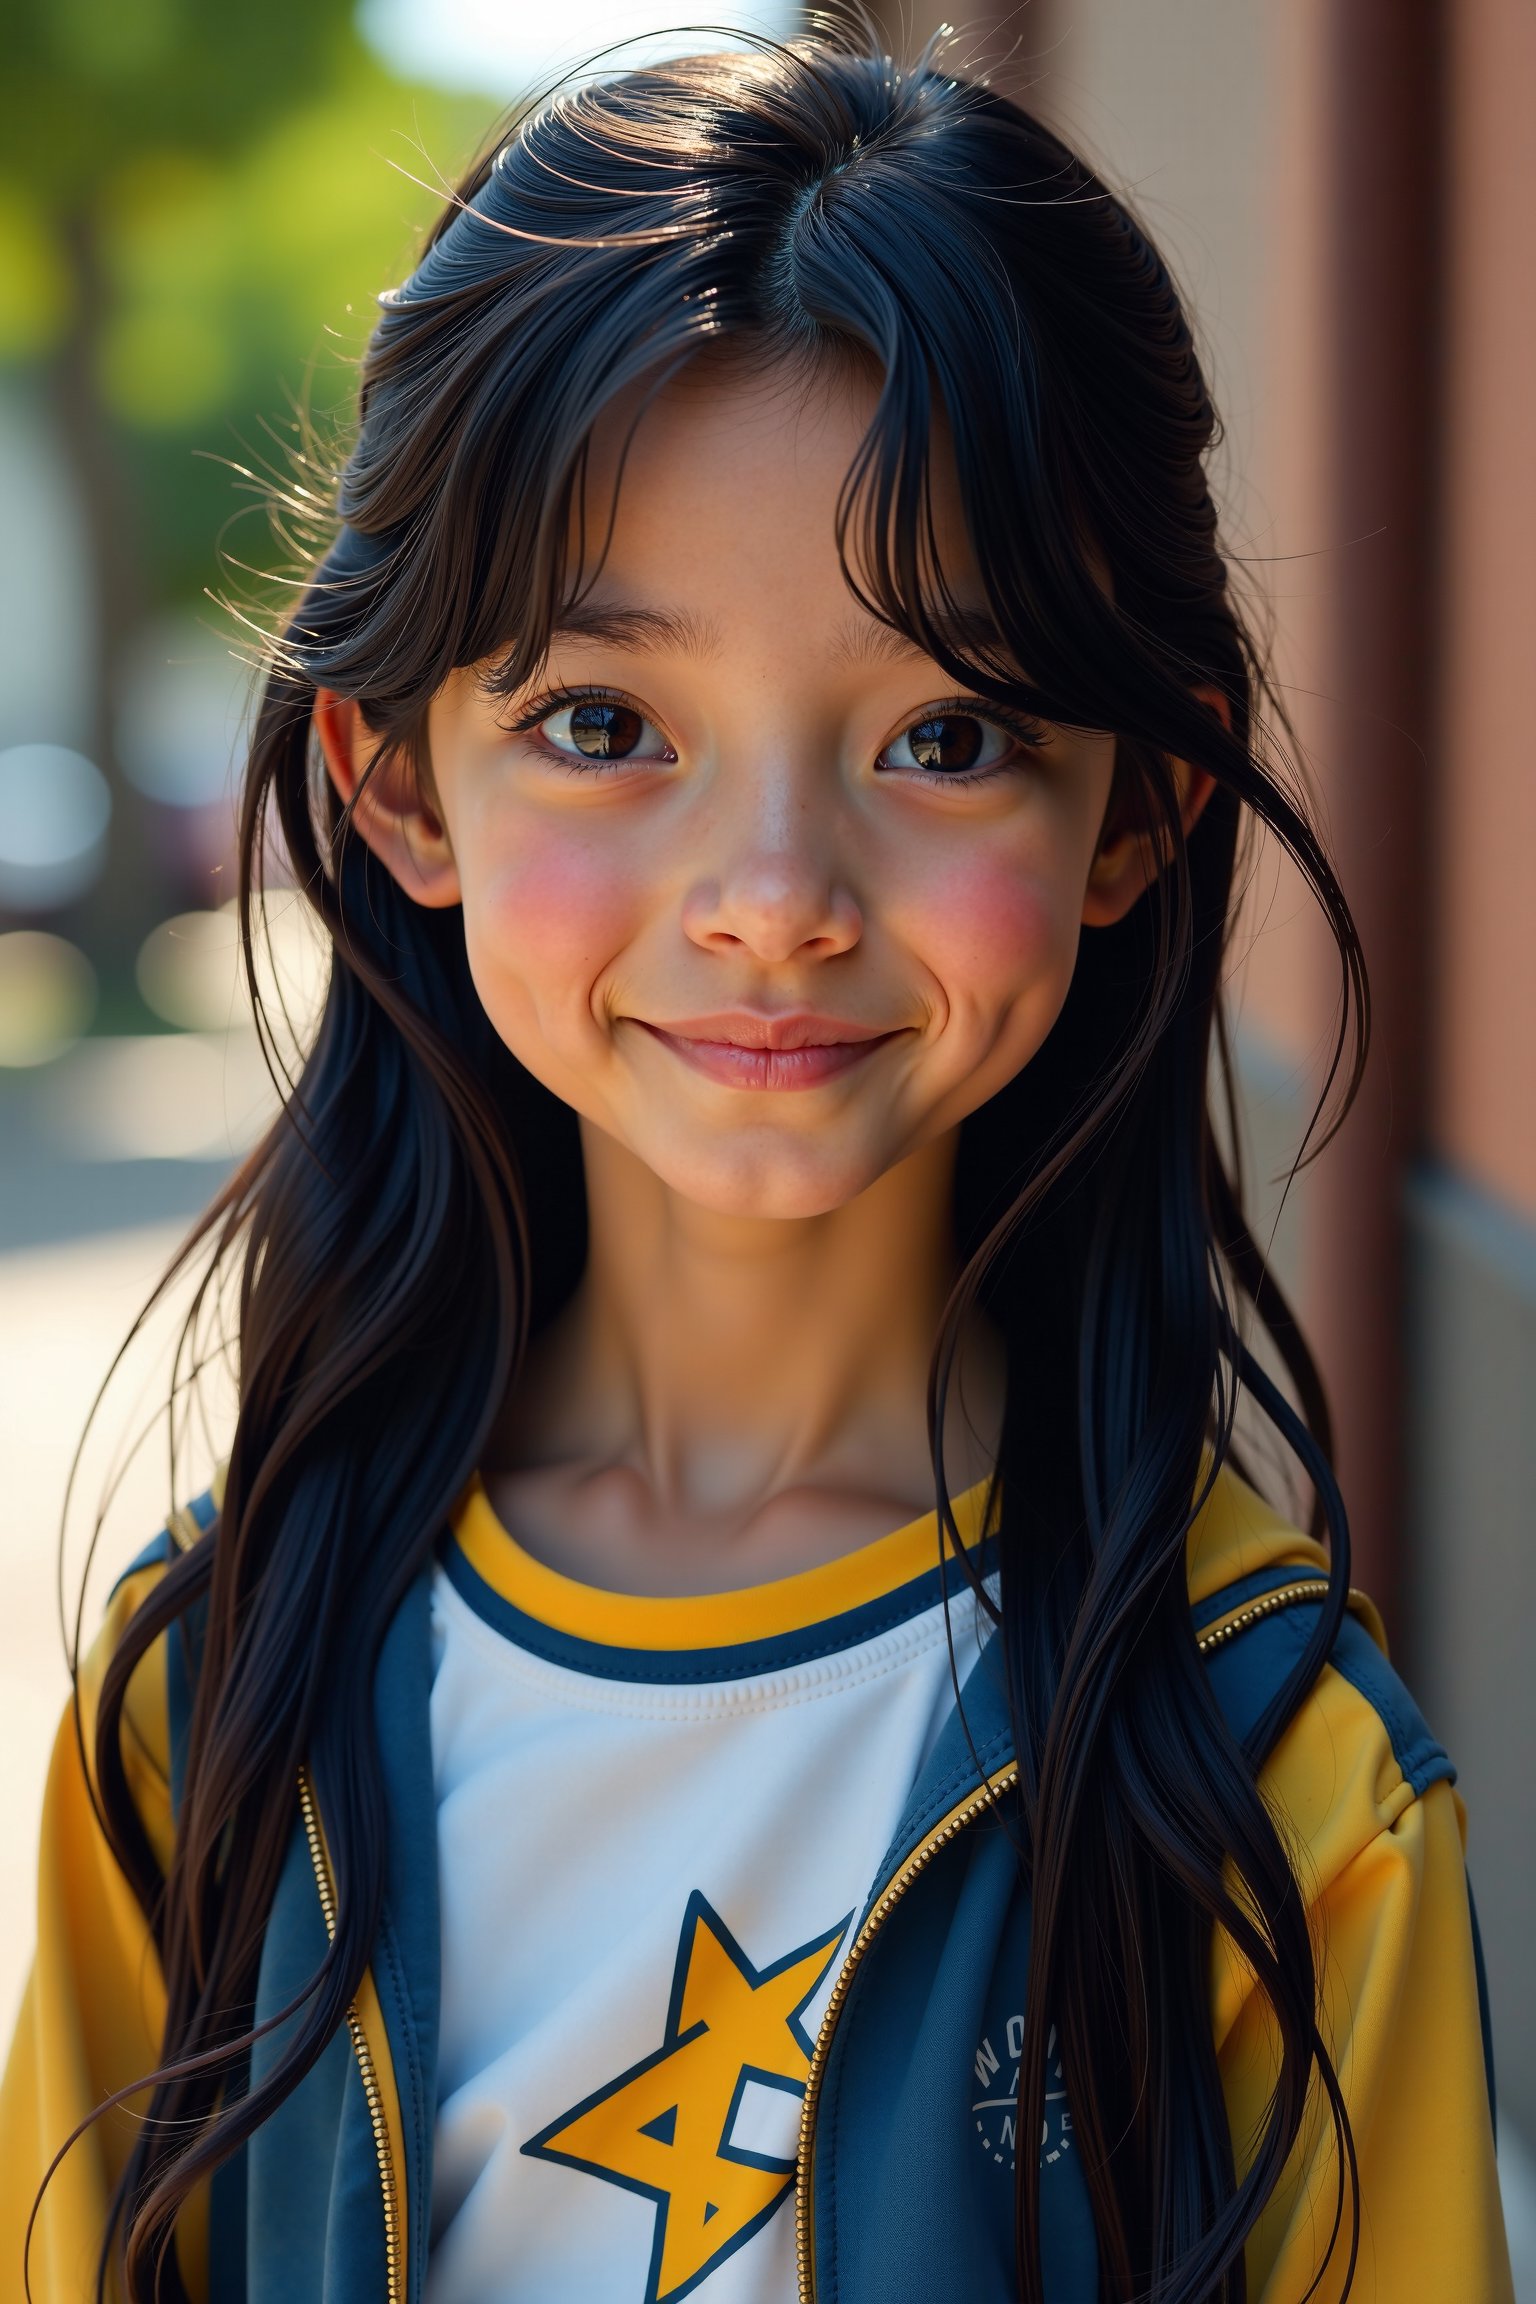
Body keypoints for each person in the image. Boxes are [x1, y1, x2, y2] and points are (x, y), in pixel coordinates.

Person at [0, 22, 1514, 2304]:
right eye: (604, 726)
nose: (778, 889)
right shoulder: (217, 1698)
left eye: (947, 731)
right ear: (400, 785)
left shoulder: (1277, 1779)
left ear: (1138, 807)